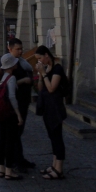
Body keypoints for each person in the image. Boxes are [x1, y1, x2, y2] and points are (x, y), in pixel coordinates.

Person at [0, 38, 35, 171]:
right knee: (13, 134)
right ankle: (14, 162)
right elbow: (4, 83)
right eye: (17, 49)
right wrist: (24, 81)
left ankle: (18, 158)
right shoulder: (8, 64)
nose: (20, 51)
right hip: (14, 104)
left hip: (23, 100)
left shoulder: (22, 62)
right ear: (10, 49)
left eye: (21, 49)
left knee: (17, 133)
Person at [35, 45, 67, 180]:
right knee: (52, 136)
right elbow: (41, 88)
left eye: (40, 58)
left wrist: (43, 73)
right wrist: (41, 75)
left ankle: (59, 169)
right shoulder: (47, 68)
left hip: (55, 107)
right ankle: (54, 165)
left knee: (57, 137)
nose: (39, 61)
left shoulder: (57, 69)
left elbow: (51, 88)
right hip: (47, 107)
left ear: (47, 55)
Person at [0, 53, 24, 180]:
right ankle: (9, 171)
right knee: (9, 141)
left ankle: (1, 169)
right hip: (9, 113)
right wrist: (18, 114)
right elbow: (12, 97)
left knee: (2, 139)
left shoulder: (0, 77)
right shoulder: (11, 78)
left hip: (0, 113)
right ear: (12, 65)